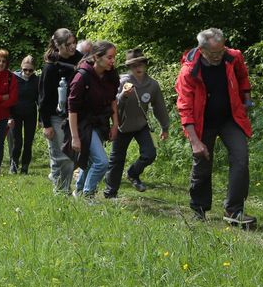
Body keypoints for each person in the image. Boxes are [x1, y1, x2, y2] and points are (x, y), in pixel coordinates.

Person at [176, 28, 256, 227]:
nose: (219, 56)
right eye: (214, 53)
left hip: (230, 119)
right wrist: (195, 141)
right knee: (202, 164)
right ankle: (199, 210)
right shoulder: (189, 71)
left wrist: (246, 98)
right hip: (203, 123)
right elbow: (184, 107)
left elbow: (242, 77)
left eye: (221, 51)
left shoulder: (233, 57)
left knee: (241, 158)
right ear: (201, 50)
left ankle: (234, 211)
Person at [104, 48, 170, 198]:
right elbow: (113, 105)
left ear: (145, 65)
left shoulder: (152, 85)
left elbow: (159, 107)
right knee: (116, 160)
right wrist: (123, 96)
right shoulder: (122, 82)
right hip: (122, 126)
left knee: (150, 154)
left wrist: (164, 127)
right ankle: (110, 193)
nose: (138, 68)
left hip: (141, 125)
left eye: (141, 64)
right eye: (134, 66)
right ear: (129, 67)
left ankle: (133, 173)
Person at [68, 41, 120, 198]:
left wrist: (115, 124)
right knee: (101, 162)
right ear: (97, 57)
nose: (113, 61)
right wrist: (75, 137)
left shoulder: (111, 75)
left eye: (114, 57)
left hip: (100, 122)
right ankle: (88, 195)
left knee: (91, 161)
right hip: (83, 125)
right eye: (109, 57)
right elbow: (72, 109)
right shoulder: (81, 77)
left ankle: (79, 191)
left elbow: (112, 100)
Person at [39, 29, 82, 195]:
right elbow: (43, 97)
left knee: (72, 156)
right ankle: (61, 194)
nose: (72, 47)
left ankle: (60, 182)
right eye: (68, 44)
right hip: (55, 117)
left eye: (74, 43)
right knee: (61, 156)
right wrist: (46, 124)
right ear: (58, 45)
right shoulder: (50, 67)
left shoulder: (79, 58)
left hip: (74, 114)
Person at [9, 55, 40, 174]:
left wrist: (41, 119)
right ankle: (14, 163)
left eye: (30, 70)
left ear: (34, 69)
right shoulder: (13, 78)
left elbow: (39, 99)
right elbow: (10, 99)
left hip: (30, 114)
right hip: (15, 113)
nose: (27, 72)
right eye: (25, 69)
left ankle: (25, 166)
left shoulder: (36, 80)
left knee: (28, 141)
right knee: (17, 141)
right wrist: (10, 117)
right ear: (21, 67)